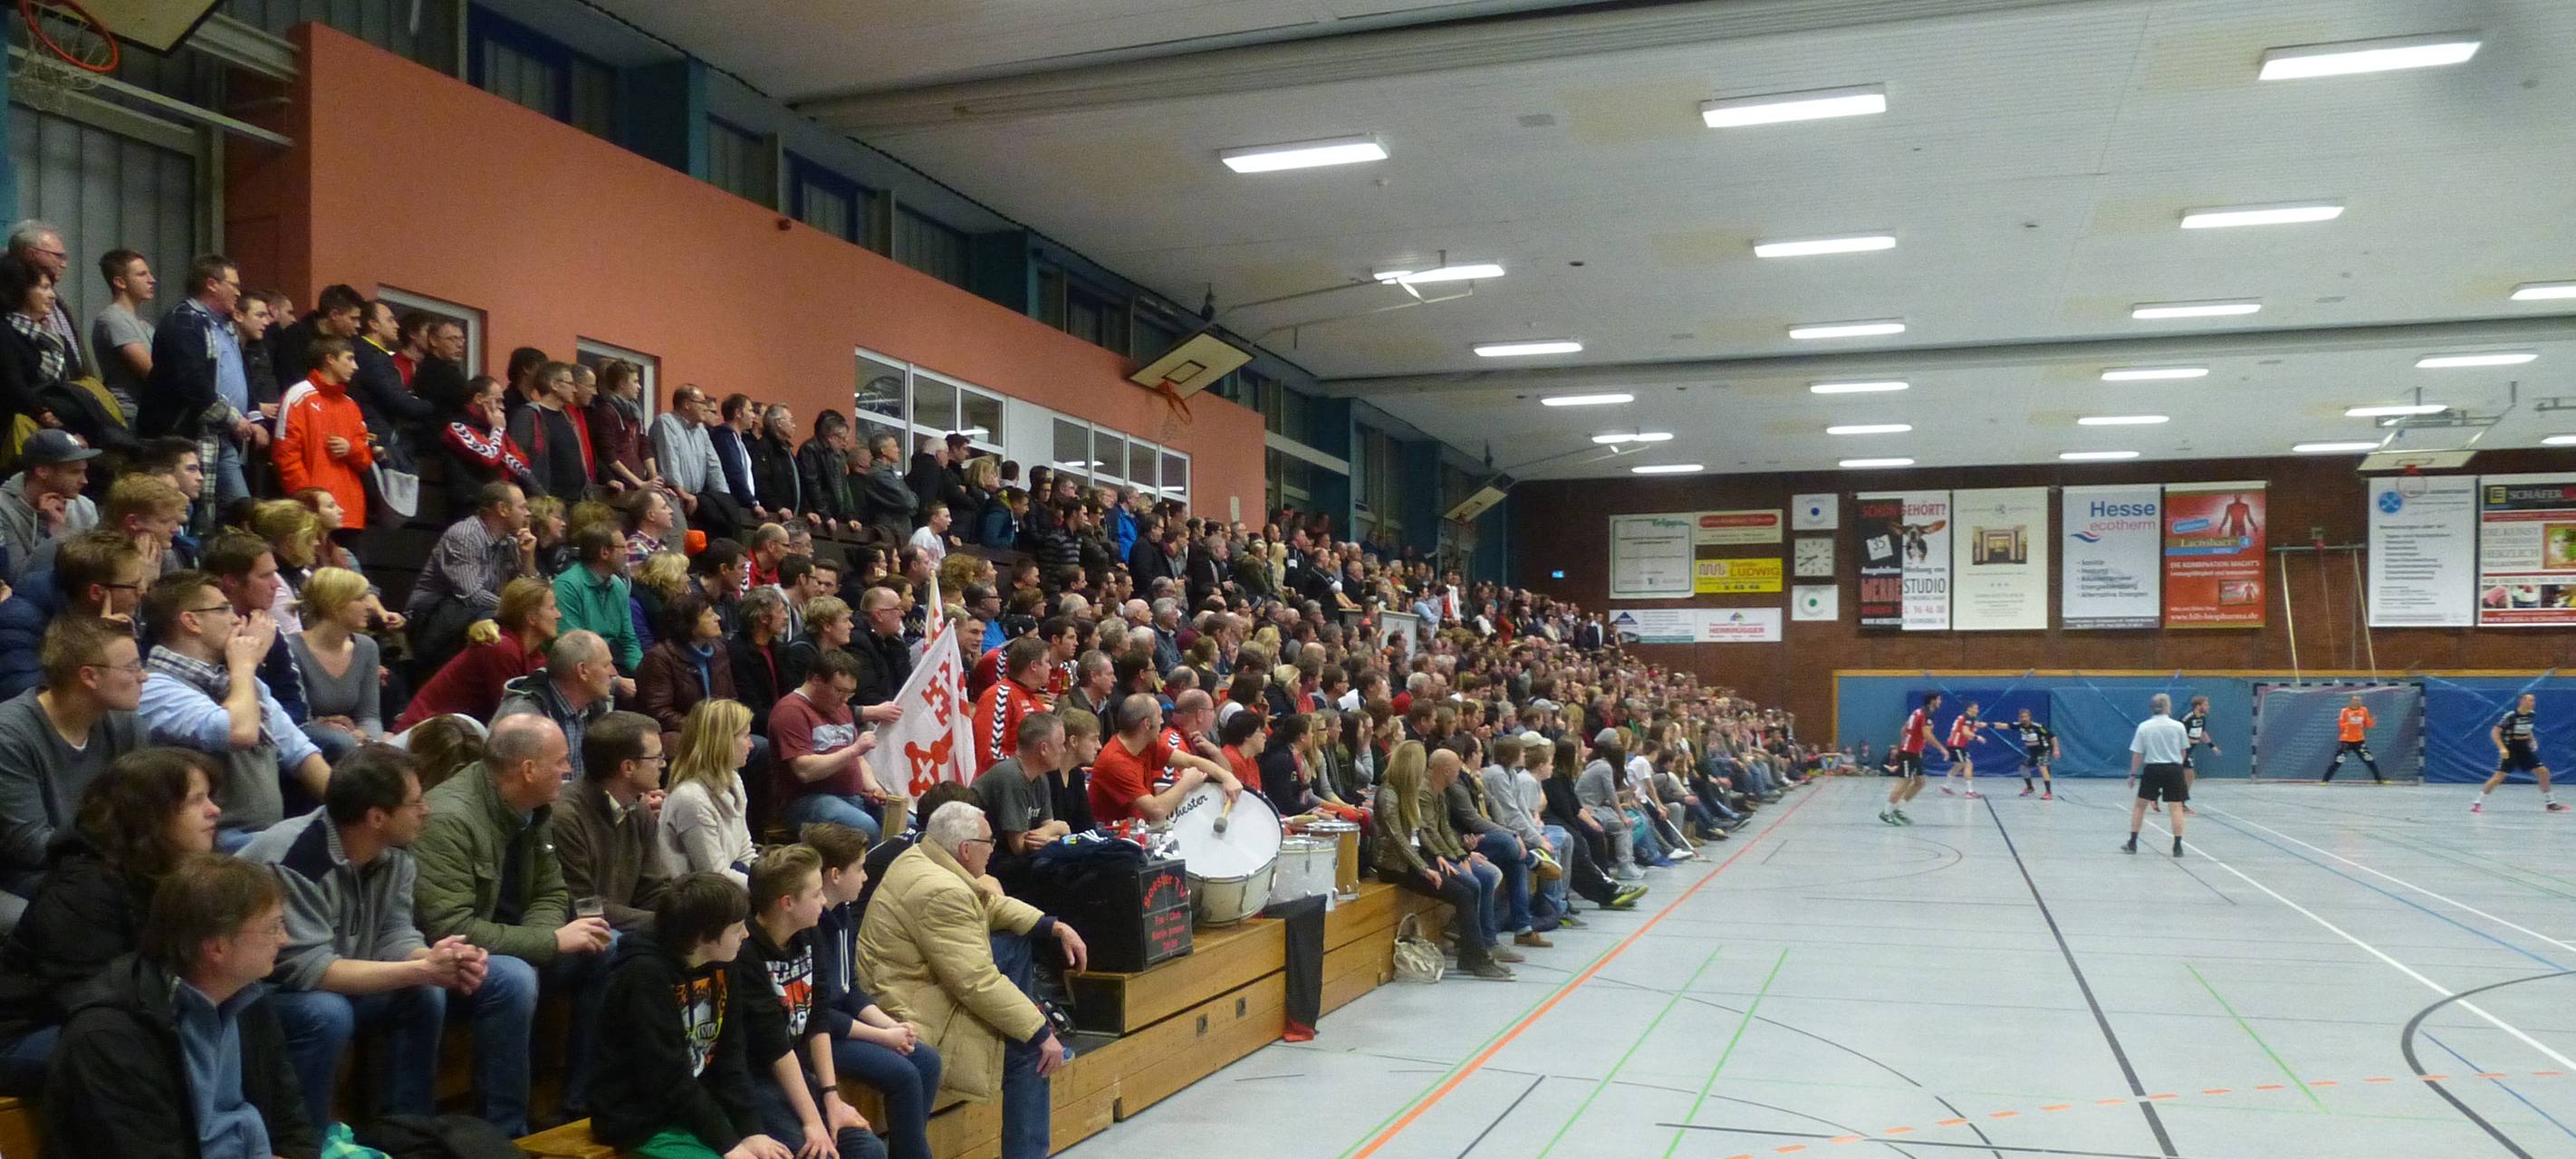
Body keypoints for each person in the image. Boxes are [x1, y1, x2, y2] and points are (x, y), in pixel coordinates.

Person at [240, 743, 485, 1129]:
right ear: (376, 817)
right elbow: (311, 971)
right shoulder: (297, 859)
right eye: (415, 802)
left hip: (338, 980)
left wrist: (434, 959)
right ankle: (305, 1144)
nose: (426, 810)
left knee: (424, 994)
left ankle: (407, 1134)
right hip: (260, 995)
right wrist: (423, 969)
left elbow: (395, 931)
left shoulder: (395, 850)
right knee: (326, 1013)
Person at [414, 713, 615, 1134]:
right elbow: (451, 928)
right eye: (561, 760)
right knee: (515, 979)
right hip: (453, 960)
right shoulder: (449, 820)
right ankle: (504, 1129)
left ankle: (580, 1104)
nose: (569, 769)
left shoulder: (535, 808)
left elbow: (552, 892)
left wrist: (546, 940)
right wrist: (548, 943)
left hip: (516, 941)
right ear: (528, 769)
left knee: (609, 945)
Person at [43, 853, 318, 1159]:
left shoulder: (250, 999)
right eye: (274, 927)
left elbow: (291, 1123)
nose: (285, 939)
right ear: (217, 947)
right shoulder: (108, 1036)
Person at [857, 801, 1087, 1159]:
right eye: (989, 841)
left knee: (1016, 939)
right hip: (915, 1010)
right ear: (966, 849)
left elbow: (986, 905)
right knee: (1031, 1053)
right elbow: (976, 982)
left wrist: (1051, 925)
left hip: (922, 985)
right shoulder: (940, 891)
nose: (993, 849)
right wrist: (1040, 1030)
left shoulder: (921, 857)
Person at [0, 747, 221, 1092]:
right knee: (154, 1049)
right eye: (197, 801)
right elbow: (80, 995)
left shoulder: (178, 872)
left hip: (118, 1019)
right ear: (151, 815)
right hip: (28, 1033)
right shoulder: (85, 886)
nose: (215, 811)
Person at [589, 871, 794, 1159]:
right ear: (704, 937)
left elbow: (731, 1056)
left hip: (693, 1110)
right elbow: (667, 1078)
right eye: (737, 929)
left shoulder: (724, 963)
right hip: (640, 1120)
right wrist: (730, 1145)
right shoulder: (643, 976)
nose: (746, 935)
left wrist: (751, 1130)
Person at [137, 569, 326, 847]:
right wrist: (245, 666)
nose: (237, 618)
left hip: (262, 834)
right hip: (211, 842)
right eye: (224, 609)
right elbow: (239, 732)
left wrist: (354, 813)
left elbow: (300, 754)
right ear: (191, 621)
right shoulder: (154, 686)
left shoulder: (238, 681)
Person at [803, 823, 942, 1159]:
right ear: (834, 875)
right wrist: (881, 1037)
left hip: (841, 1023)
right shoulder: (809, 926)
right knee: (903, 1073)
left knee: (926, 1059)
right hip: (814, 1035)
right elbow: (816, 1012)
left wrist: (890, 1027)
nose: (866, 877)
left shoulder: (842, 912)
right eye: (860, 869)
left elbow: (850, 990)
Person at [738, 847, 887, 1159]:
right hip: (755, 1078)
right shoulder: (746, 952)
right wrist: (811, 1121)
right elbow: (773, 1043)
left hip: (799, 1071)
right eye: (816, 893)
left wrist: (831, 1097)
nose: (823, 901)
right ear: (787, 903)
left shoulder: (809, 933)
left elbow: (818, 1017)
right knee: (816, 1151)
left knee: (868, 1150)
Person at [0, 617, 142, 919]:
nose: (143, 677)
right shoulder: (9, 736)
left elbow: (150, 807)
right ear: (89, 676)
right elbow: (30, 847)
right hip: (31, 879)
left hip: (104, 864)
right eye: (131, 668)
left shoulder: (125, 721)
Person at [1372, 742, 1513, 981]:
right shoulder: (1389, 795)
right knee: (1463, 894)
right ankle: (1476, 958)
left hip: (1415, 860)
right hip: (1396, 866)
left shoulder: (1407, 791)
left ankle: (1473, 953)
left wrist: (1442, 856)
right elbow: (1398, 840)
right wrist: (1425, 869)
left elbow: (1422, 831)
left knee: (1469, 887)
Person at [555, 710, 674, 934]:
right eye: (657, 757)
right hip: (582, 937)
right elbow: (583, 905)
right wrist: (668, 924)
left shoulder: (639, 810)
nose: (663, 764)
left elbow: (654, 888)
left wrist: (687, 915)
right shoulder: (566, 816)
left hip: (630, 926)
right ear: (628, 767)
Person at [394, 576, 557, 733]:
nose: (558, 615)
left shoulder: (535, 655)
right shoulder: (502, 648)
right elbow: (513, 717)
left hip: (454, 737)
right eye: (552, 608)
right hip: (424, 736)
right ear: (531, 617)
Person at [773, 650, 892, 840]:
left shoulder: (840, 709)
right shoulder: (791, 711)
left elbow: (858, 760)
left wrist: (872, 787)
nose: (845, 700)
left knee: (902, 822)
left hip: (852, 796)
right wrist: (854, 749)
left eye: (850, 693)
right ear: (816, 680)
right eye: (840, 691)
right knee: (865, 828)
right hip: (807, 800)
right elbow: (805, 771)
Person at [1086, 693, 1239, 825]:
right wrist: (1187, 782)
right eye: (1159, 716)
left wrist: (1227, 777)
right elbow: (1156, 810)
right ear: (1146, 724)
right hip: (1113, 840)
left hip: (1137, 830)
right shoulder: (1116, 761)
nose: (1162, 722)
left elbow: (1192, 761)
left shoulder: (1148, 743)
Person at [271, 337, 373, 532]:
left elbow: (365, 458)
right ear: (330, 359)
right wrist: (309, 500)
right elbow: (285, 454)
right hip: (312, 513)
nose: (356, 366)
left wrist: (350, 449)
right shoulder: (298, 395)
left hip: (350, 512)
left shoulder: (351, 405)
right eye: (349, 359)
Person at [495, 630, 620, 782]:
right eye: (606, 665)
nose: (614, 673)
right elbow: (519, 787)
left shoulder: (595, 706)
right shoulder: (525, 717)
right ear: (582, 671)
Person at [660, 697, 759, 886]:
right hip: (701, 899)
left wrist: (770, 883)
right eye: (745, 736)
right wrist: (768, 893)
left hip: (732, 882)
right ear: (722, 741)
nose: (751, 744)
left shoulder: (733, 779)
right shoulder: (691, 798)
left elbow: (744, 850)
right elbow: (714, 875)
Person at [970, 713, 1073, 892]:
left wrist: (1055, 832)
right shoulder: (1011, 776)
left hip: (1008, 855)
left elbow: (1052, 833)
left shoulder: (1040, 777)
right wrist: (1059, 828)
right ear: (1043, 748)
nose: (1064, 751)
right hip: (985, 858)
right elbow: (1018, 846)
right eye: (1061, 744)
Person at [0, 428, 100, 581]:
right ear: (42, 471)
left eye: (84, 472)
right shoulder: (4, 509)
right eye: (74, 472)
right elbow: (17, 579)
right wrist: (56, 536)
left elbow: (94, 571)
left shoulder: (85, 507)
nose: (84, 481)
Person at [87, 249, 154, 421]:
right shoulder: (113, 319)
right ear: (120, 282)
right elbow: (151, 372)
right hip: (131, 415)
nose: (151, 279)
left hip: (148, 411)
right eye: (142, 274)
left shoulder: (143, 325)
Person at [510, 361, 589, 504]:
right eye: (570, 383)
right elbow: (518, 462)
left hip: (574, 503)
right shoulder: (529, 415)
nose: (575, 390)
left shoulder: (567, 417)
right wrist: (542, 497)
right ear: (554, 384)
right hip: (547, 505)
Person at [2123, 694, 2190, 857]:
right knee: (2176, 807)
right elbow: (2183, 751)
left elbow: (2137, 753)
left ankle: (2132, 843)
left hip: (2152, 769)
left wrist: (2132, 774)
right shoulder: (2178, 726)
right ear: (2167, 707)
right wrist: (2178, 767)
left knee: (2140, 806)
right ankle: (2177, 846)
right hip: (2173, 769)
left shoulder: (2144, 727)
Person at [2474, 693, 2564, 813]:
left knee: (2543, 772)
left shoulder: (2532, 715)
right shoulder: (2510, 716)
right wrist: (2502, 748)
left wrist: (2532, 740)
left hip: (2524, 749)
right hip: (2510, 748)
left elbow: (2528, 729)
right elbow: (2495, 732)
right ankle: (2477, 803)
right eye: (2530, 701)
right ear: (2522, 701)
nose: (2533, 703)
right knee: (2498, 777)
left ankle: (2551, 803)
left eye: (2534, 701)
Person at [973, 636, 1051, 775]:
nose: (1050, 667)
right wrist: (1029, 769)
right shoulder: (999, 695)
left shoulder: (1035, 700)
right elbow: (990, 754)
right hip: (1004, 785)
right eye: (1047, 662)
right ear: (1034, 666)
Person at [1880, 692, 1946, 827]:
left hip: (1913, 752)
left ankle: (1898, 809)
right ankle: (1886, 812)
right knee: (1905, 781)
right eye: (1939, 699)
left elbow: (1903, 729)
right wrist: (1941, 748)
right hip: (1908, 753)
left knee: (1920, 782)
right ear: (1932, 701)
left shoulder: (1919, 711)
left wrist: (1914, 745)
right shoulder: (1926, 714)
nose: (1940, 702)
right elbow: (1927, 735)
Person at [2321, 694, 2386, 784]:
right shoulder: (2344, 711)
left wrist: (2372, 721)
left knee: (2369, 759)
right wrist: (2350, 723)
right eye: (2355, 700)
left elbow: (2367, 724)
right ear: (2351, 701)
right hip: (2346, 741)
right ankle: (2325, 780)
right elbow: (2340, 725)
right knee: (2338, 761)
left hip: (2359, 741)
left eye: (2359, 700)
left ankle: (2379, 779)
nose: (2358, 702)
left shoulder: (2364, 710)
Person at [2005, 708, 2058, 800]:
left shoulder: (2038, 727)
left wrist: (2056, 749)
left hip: (2044, 750)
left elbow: (2053, 736)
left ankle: (2048, 792)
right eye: (2022, 717)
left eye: (2026, 717)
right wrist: (1987, 725)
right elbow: (2003, 725)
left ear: (2030, 717)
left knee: (2042, 766)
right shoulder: (2019, 726)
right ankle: (2030, 788)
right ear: (2019, 718)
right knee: (2023, 767)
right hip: (2034, 754)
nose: (2024, 719)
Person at [2177, 694, 2215, 813]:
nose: (2208, 707)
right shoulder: (2187, 718)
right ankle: (2155, 795)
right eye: (2206, 704)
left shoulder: (2202, 718)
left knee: (2188, 775)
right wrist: (2192, 740)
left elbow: (2202, 733)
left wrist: (2212, 746)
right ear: (2198, 706)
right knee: (2186, 775)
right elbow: (2178, 735)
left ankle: (2180, 802)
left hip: (2189, 751)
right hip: (2180, 751)